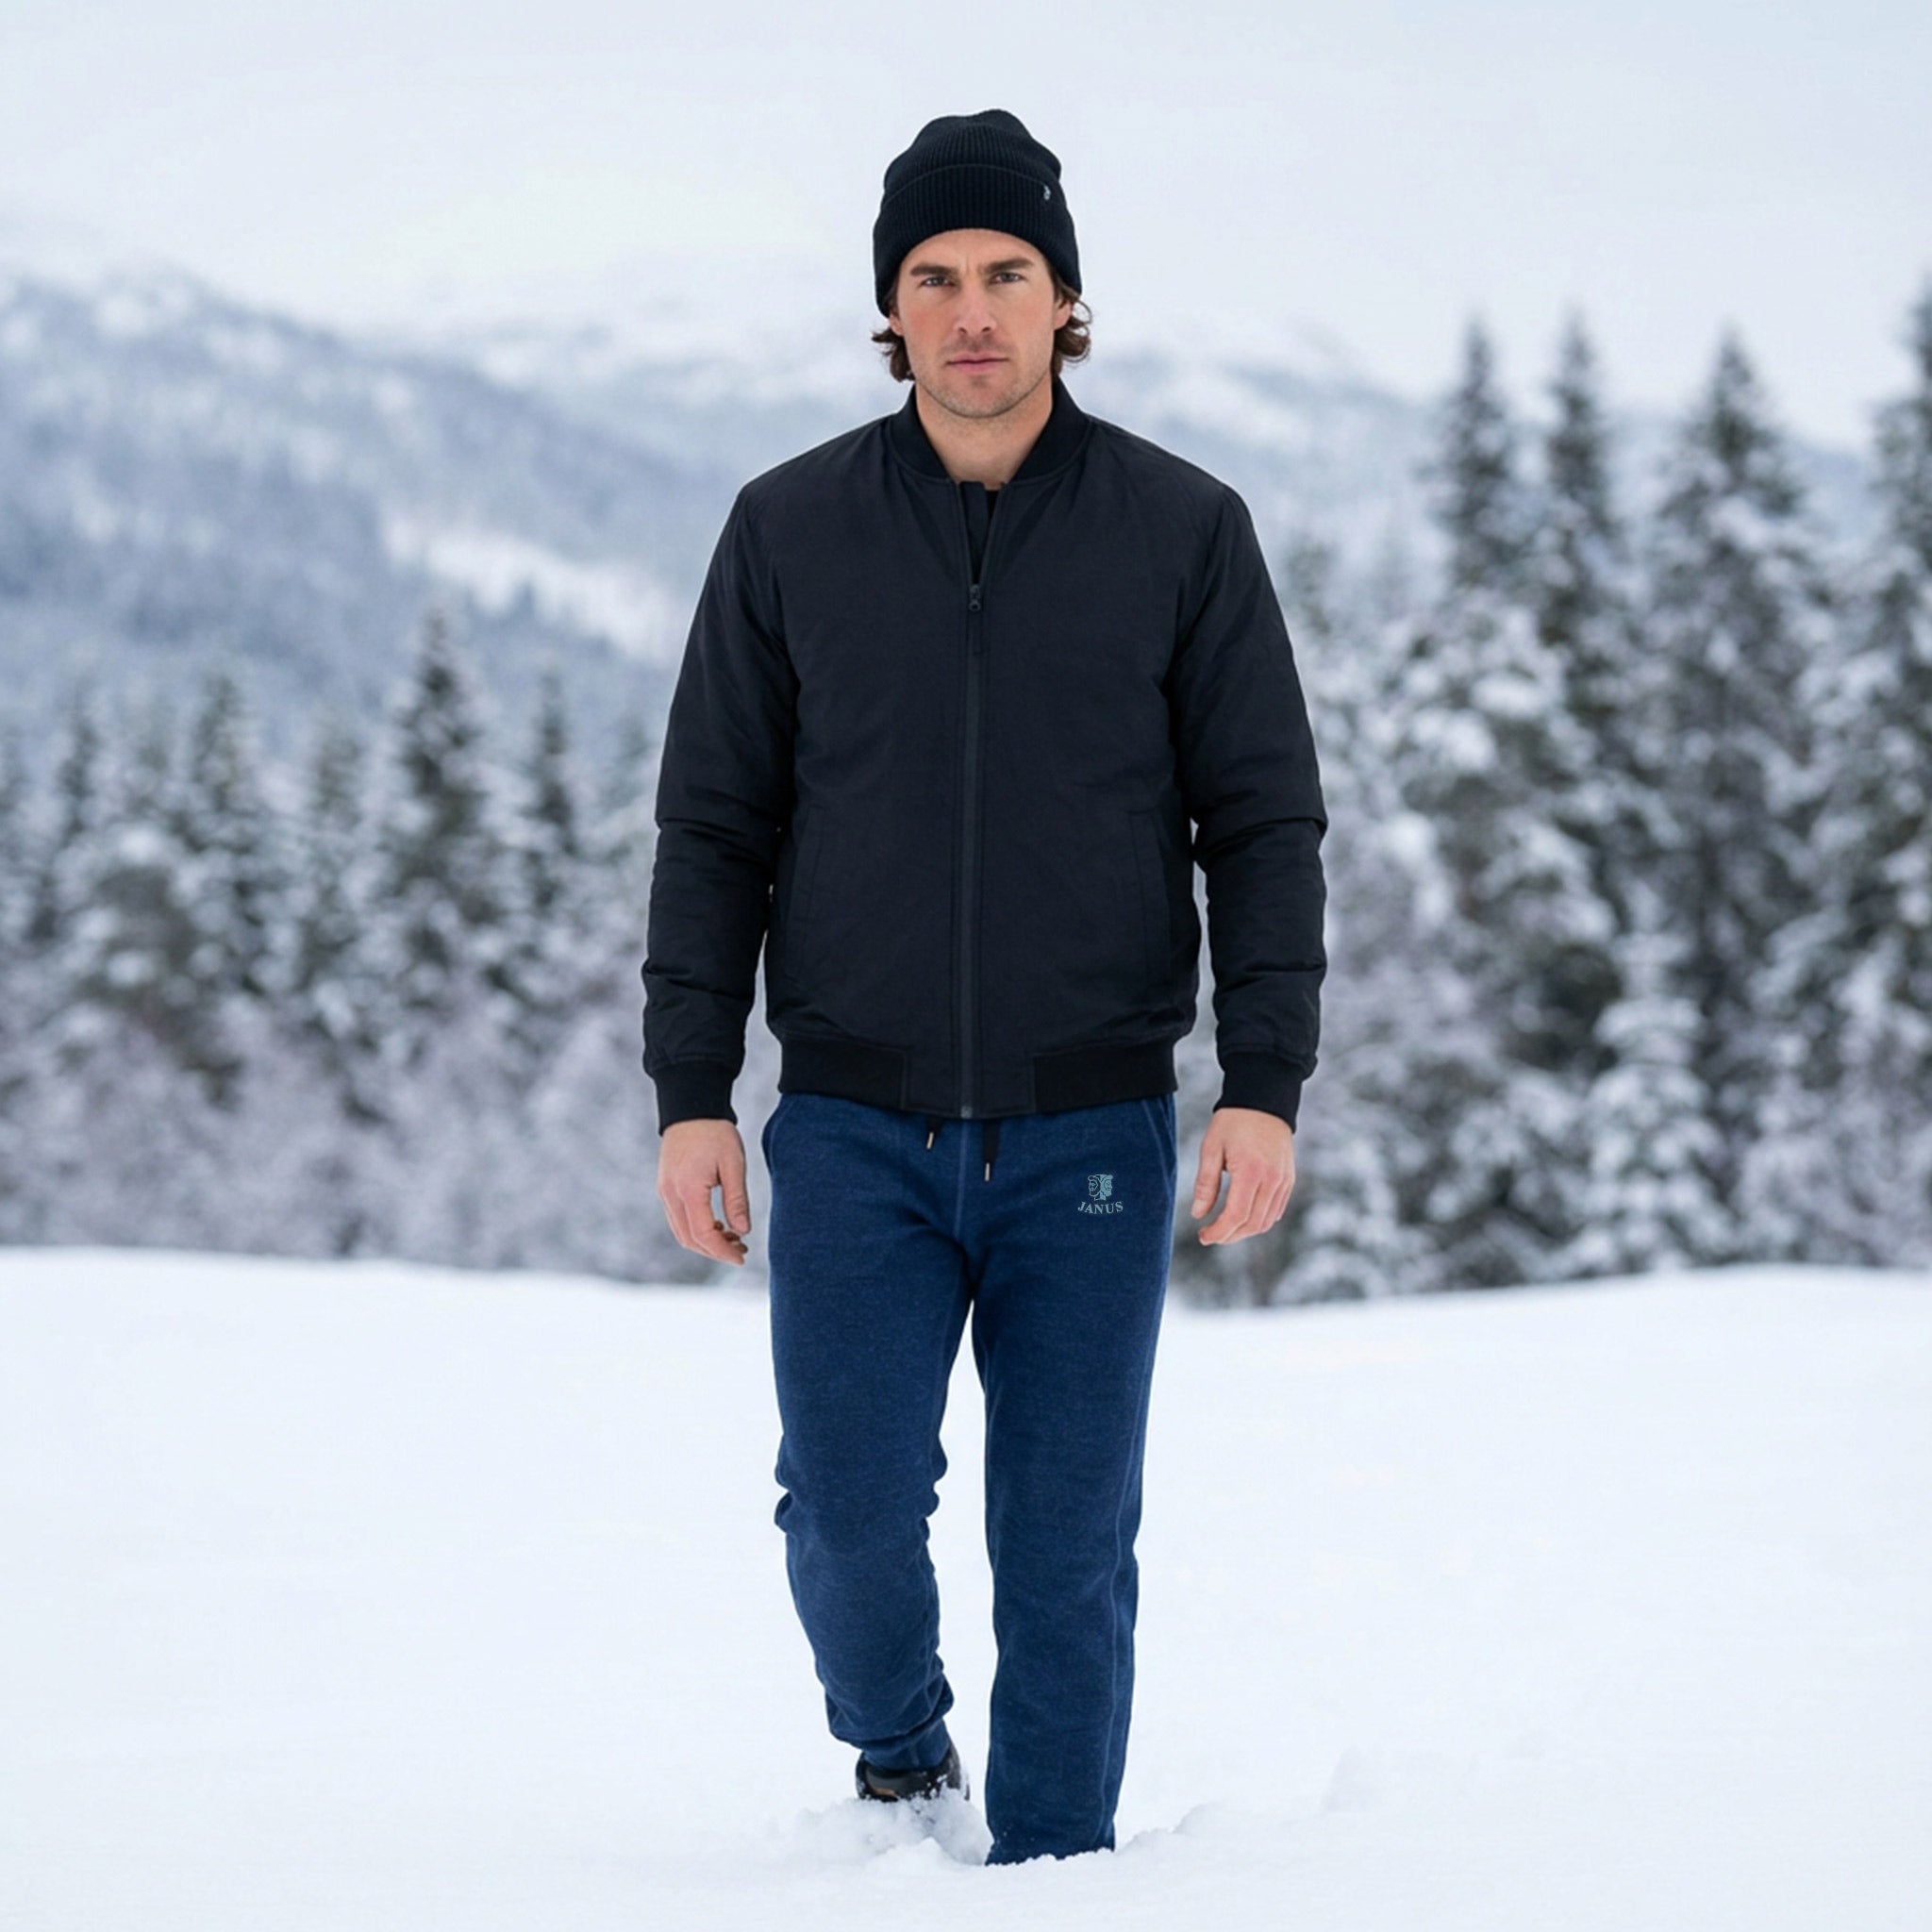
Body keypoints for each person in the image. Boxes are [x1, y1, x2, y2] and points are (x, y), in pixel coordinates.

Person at [642, 107, 1326, 1865]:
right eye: (932, 278)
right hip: (856, 1130)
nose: (970, 311)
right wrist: (693, 1095)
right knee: (849, 1515)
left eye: (1006, 274)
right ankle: (897, 1759)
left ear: (1065, 298)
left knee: (1068, 1542)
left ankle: (1057, 1876)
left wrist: (1264, 1078)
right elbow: (713, 829)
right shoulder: (788, 529)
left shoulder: (1182, 530)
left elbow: (1261, 823)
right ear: (890, 308)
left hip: (1090, 1123)